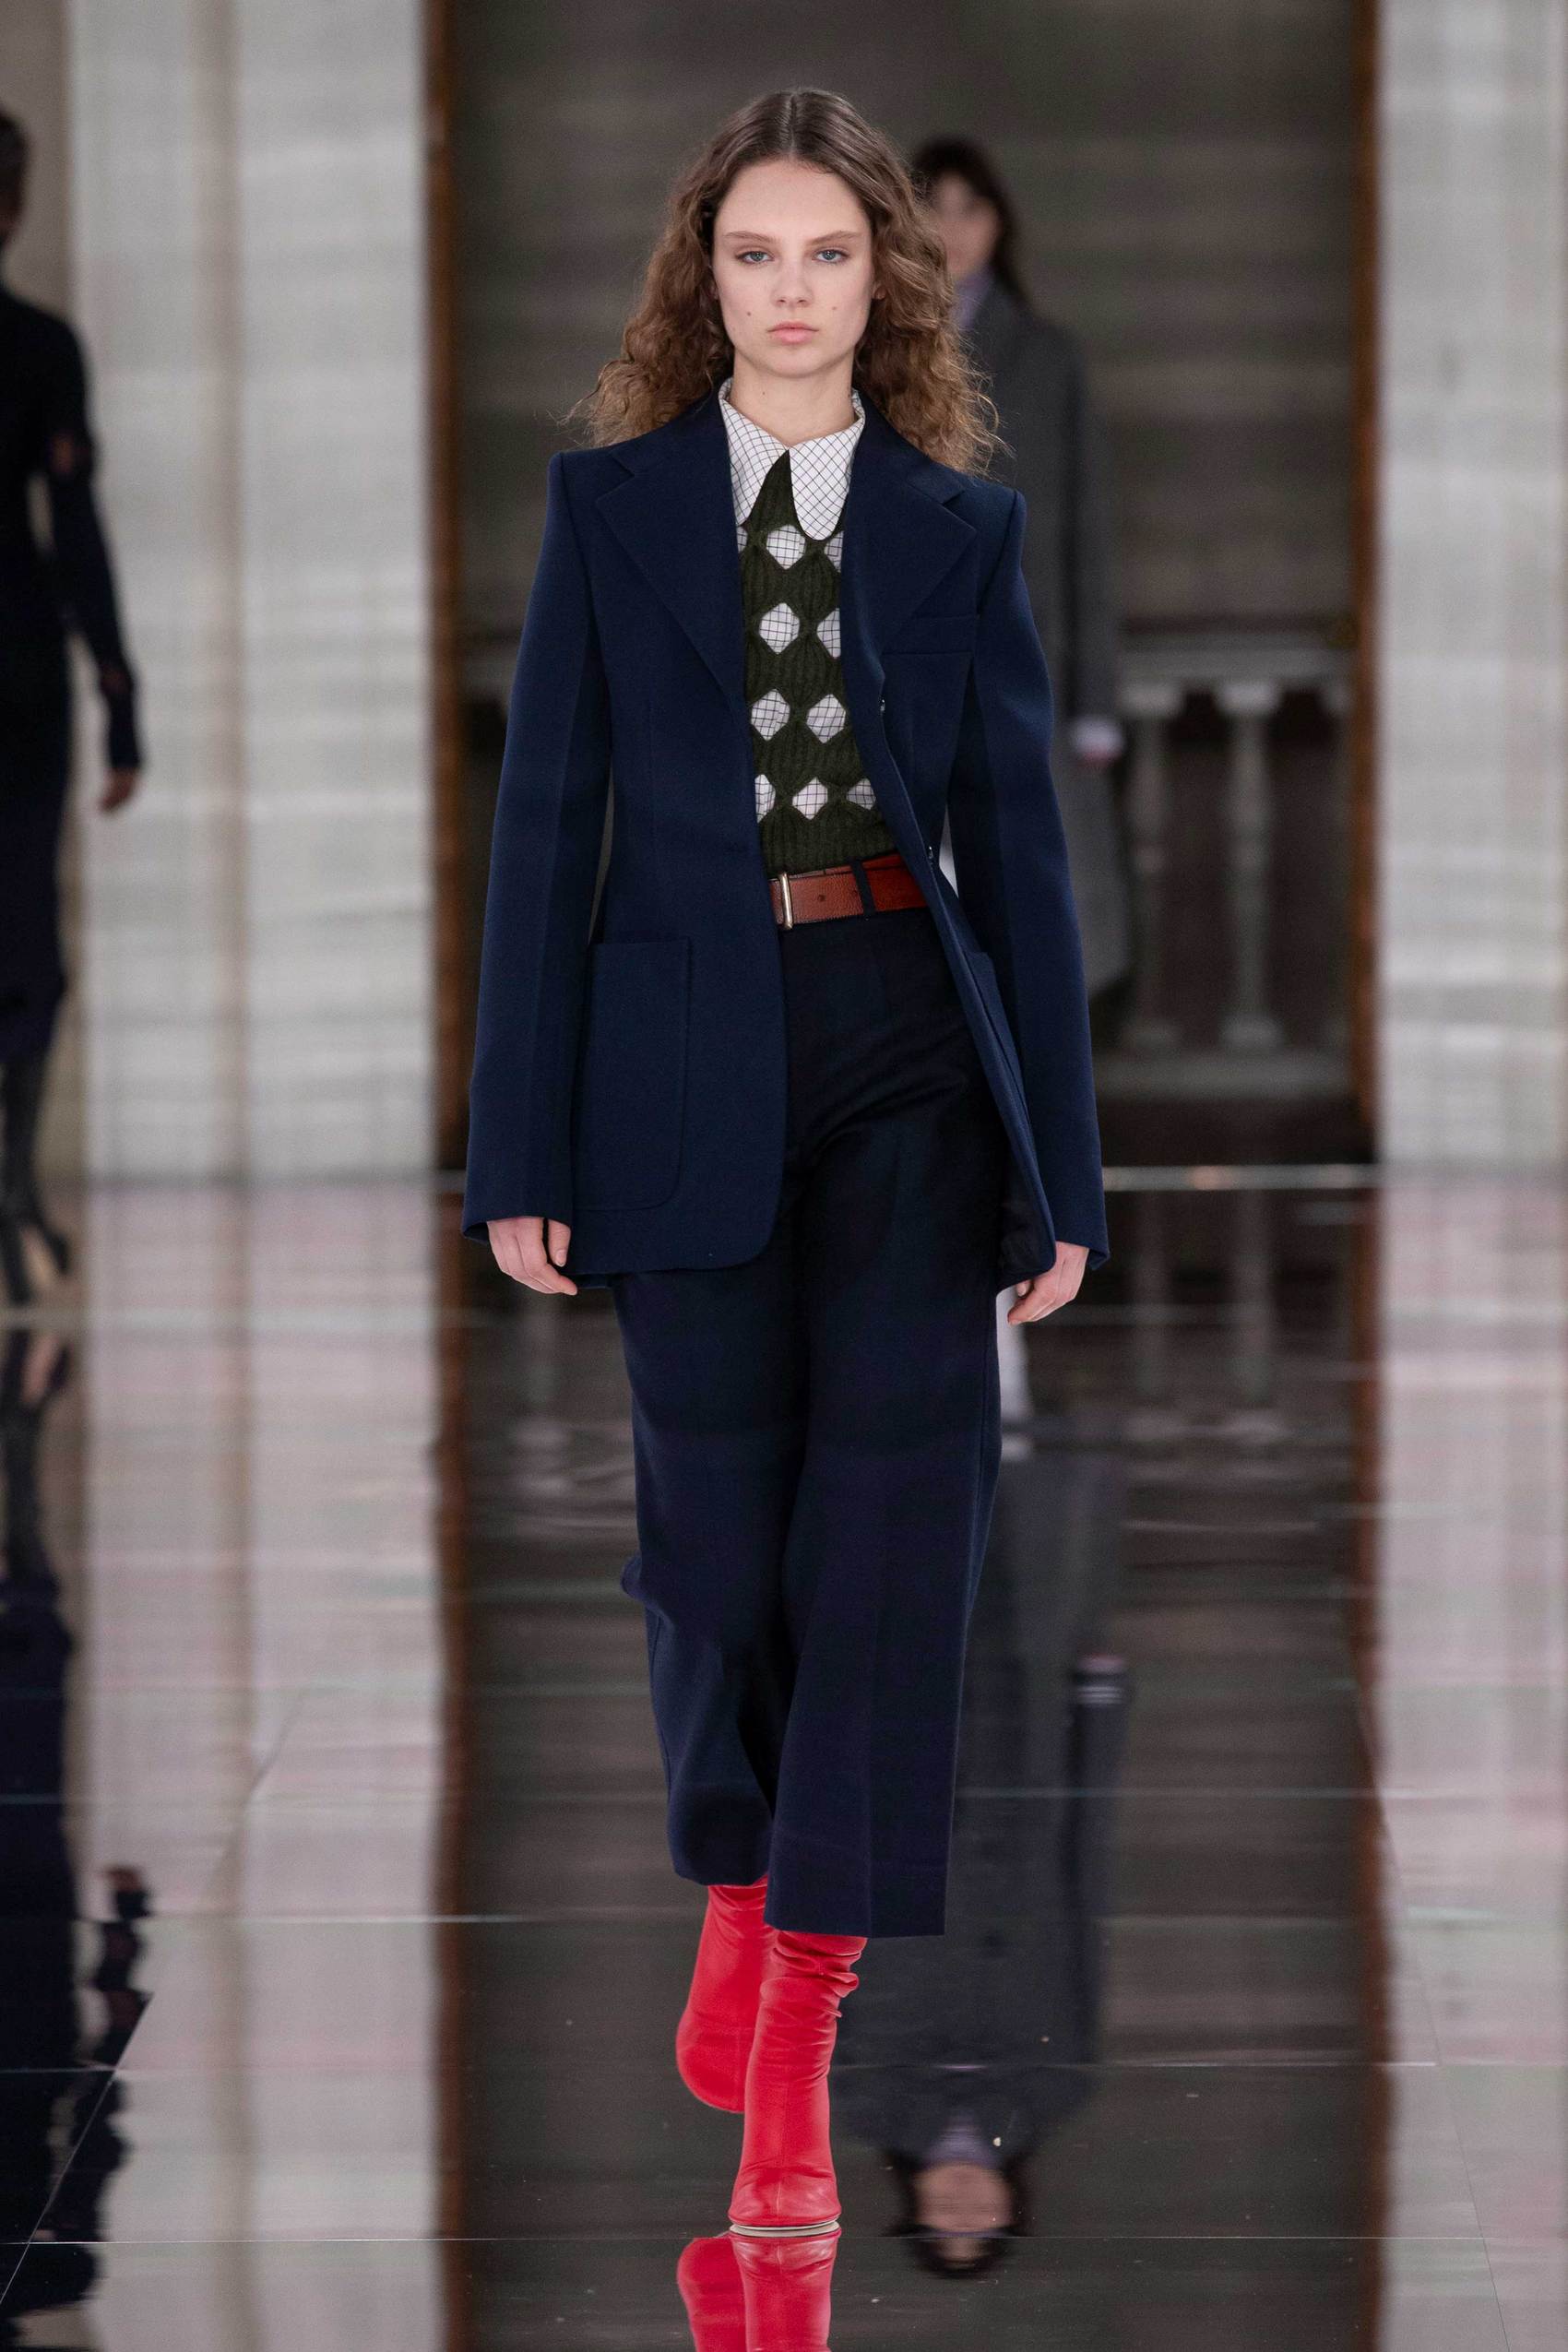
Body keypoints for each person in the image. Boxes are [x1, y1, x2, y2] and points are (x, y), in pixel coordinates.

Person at [463, 87, 1108, 2240]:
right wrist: (516, 1144)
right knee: (712, 1545)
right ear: (702, 276)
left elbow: (1017, 856)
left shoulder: (953, 528)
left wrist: (1062, 1170)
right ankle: (739, 1888)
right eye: (754, 253)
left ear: (883, 279)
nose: (791, 289)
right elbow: (544, 829)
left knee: (892, 1541)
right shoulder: (612, 510)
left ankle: (805, 2031)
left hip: (902, 1038)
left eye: (828, 253)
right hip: (676, 1053)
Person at [914, 136, 1131, 1002]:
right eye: (934, 208)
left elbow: (1087, 534)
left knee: (1034, 916)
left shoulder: (1046, 357)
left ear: (999, 223)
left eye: (970, 208)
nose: (953, 229)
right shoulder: (870, 348)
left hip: (1025, 653)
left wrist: (1096, 701)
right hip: (907, 660)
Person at [0, 109, 142, 1308]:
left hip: (21, 680)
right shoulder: (39, 349)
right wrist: (119, 690)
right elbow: (77, 532)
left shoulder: (43, 350)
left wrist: (118, 690)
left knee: (27, 949)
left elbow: (78, 527)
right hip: (21, 672)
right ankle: (10, 1194)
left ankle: (11, 1194)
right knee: (25, 949)